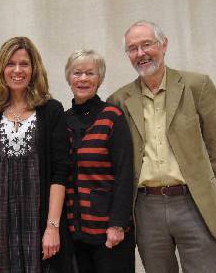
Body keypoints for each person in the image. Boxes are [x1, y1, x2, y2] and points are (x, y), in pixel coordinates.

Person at [107, 20, 216, 273]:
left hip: (193, 203)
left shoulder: (197, 86)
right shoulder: (119, 100)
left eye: (146, 44)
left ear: (164, 45)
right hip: (146, 208)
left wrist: (201, 185)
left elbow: (215, 148)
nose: (140, 53)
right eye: (132, 48)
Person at [0, 36, 73, 273]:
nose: (17, 70)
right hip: (2, 227)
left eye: (24, 64)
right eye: (10, 64)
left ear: (34, 69)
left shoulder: (51, 111)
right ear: (1, 69)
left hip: (40, 225)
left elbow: (60, 172)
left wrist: (52, 227)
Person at [64, 49, 135, 273]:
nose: (83, 79)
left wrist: (118, 224)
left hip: (108, 231)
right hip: (74, 231)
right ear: (68, 78)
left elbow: (125, 174)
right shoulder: (62, 120)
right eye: (77, 73)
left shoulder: (113, 117)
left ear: (100, 78)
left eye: (90, 73)